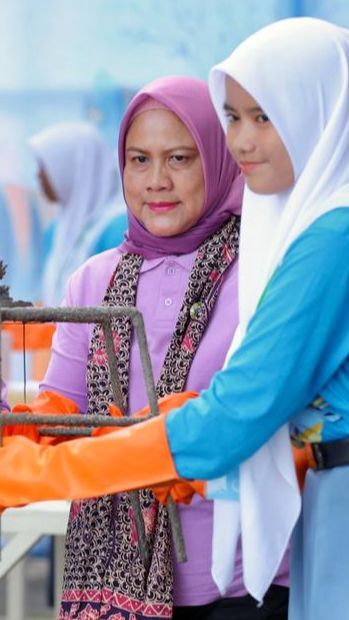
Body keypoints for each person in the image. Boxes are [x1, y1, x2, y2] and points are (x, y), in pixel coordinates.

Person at [2, 76, 291, 620]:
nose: (157, 181)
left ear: (217, 159)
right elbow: (61, 410)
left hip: (243, 581)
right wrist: (21, 426)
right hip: (116, 581)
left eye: (180, 158)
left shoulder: (263, 271)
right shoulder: (93, 281)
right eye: (139, 160)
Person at [29, 122, 128, 305]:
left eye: (46, 166)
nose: (39, 176)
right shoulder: (56, 229)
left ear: (72, 166)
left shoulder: (118, 228)